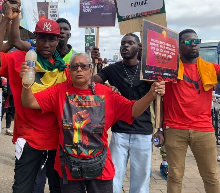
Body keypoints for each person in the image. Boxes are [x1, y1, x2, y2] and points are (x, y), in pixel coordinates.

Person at [20, 53, 165, 193]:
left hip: (100, 167)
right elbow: (29, 102)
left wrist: (151, 94)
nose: (79, 70)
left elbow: (133, 110)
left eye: (83, 66)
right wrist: (27, 83)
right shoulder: (59, 91)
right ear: (69, 71)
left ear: (91, 69)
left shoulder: (106, 93)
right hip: (69, 167)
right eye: (74, 67)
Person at [0, 0, 68, 193]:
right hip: (29, 139)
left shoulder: (64, 68)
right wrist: (6, 19)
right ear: (35, 38)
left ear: (58, 40)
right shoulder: (18, 59)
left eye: (51, 39)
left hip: (58, 139)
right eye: (41, 38)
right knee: (22, 189)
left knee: (59, 189)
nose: (46, 44)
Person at [154, 29, 220, 193]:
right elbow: (159, 101)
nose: (194, 45)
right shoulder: (168, 70)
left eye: (196, 41)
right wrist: (159, 129)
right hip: (175, 129)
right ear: (178, 46)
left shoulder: (211, 68)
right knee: (175, 176)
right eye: (189, 42)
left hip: (204, 130)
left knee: (212, 176)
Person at [93, 33, 153, 193]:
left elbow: (163, 94)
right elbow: (91, 82)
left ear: (138, 47)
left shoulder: (149, 70)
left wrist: (160, 129)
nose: (125, 46)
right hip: (119, 132)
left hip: (143, 132)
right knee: (114, 178)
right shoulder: (113, 69)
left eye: (130, 43)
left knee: (141, 182)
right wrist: (95, 63)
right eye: (122, 43)